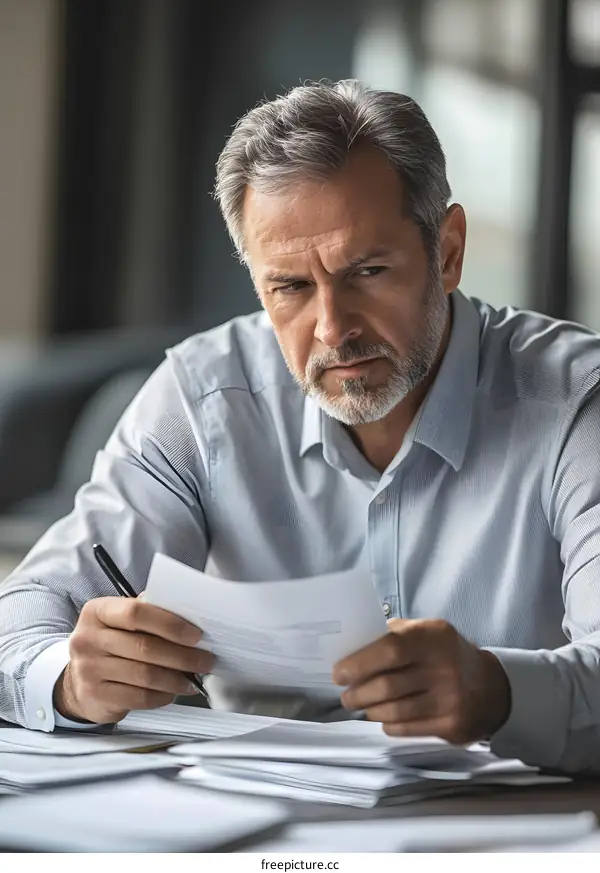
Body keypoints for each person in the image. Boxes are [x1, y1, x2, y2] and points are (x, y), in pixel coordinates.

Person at [1, 79, 600, 773]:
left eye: (368, 271)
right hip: (261, 824)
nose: (333, 329)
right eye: (289, 287)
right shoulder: (203, 397)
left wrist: (498, 691)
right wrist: (71, 677)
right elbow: (24, 617)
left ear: (449, 252)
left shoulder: (576, 404)